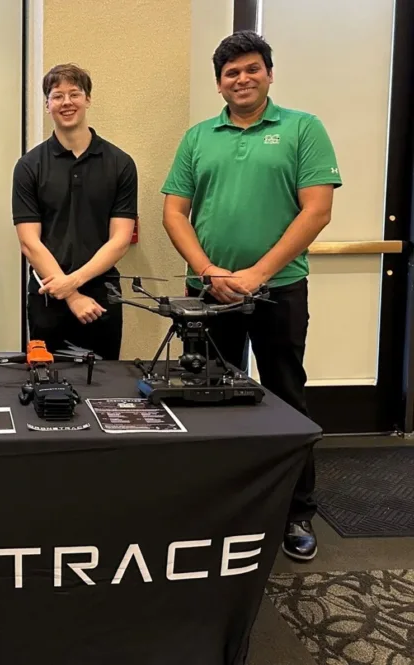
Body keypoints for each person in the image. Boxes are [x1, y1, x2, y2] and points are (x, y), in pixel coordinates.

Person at [161, 31, 342, 561]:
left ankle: (295, 513)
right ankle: (217, 512)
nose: (241, 79)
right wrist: (208, 270)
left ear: (268, 73)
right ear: (219, 84)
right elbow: (174, 212)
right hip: (209, 292)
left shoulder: (302, 129)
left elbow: (317, 210)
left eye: (250, 69)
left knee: (286, 396)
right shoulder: (198, 137)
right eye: (230, 73)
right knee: (205, 400)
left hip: (278, 292)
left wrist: (257, 274)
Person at [12, 63, 137, 360]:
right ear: (47, 105)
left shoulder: (120, 163)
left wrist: (74, 282)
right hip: (47, 294)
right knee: (47, 387)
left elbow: (120, 240)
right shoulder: (29, 166)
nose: (66, 103)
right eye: (57, 96)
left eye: (74, 94)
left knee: (103, 386)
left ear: (88, 100)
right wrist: (70, 294)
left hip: (101, 295)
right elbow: (30, 242)